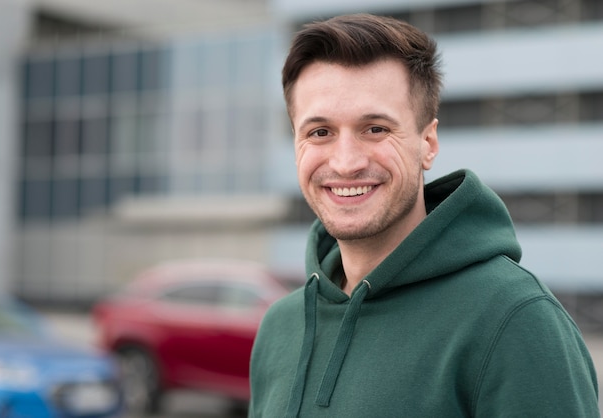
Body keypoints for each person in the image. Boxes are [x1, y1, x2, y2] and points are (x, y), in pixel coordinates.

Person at [248, 13, 600, 417]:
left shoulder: (514, 321)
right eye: (320, 132)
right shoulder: (280, 328)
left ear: (428, 143)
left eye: (375, 128)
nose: (345, 163)